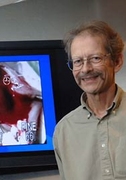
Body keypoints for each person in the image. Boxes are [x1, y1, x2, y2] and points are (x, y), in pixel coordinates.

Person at [53, 20, 126, 180]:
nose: (86, 69)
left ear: (117, 61)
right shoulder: (63, 131)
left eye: (95, 58)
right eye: (78, 61)